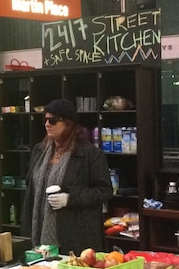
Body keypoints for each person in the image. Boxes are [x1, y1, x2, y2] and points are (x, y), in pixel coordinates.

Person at [21, 98, 113, 255]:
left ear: (68, 124)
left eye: (53, 120)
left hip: (76, 235)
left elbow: (104, 191)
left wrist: (70, 198)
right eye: (46, 120)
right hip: (38, 231)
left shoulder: (90, 154)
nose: (47, 124)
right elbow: (31, 190)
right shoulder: (40, 151)